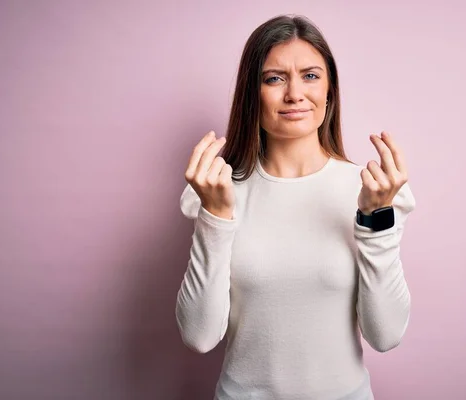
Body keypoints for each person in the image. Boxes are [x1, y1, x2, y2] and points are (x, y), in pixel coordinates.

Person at [176, 14, 416, 400]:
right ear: (252, 93)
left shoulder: (371, 191)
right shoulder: (218, 192)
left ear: (330, 91)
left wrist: (374, 220)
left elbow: (385, 335)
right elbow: (199, 336)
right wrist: (216, 218)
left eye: (310, 76)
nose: (294, 94)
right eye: (274, 78)